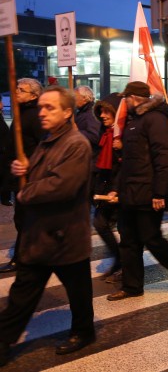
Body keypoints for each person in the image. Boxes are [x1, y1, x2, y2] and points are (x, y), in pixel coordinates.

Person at [0, 86, 95, 366]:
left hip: (65, 236)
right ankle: (3, 339)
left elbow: (61, 185)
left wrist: (26, 192)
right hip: (41, 235)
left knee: (78, 292)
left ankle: (84, 331)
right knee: (23, 291)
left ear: (67, 112)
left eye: (50, 108)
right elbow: (45, 171)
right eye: (41, 107)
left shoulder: (77, 144)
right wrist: (25, 169)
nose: (42, 112)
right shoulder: (50, 138)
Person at [107, 81, 168, 301]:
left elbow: (165, 158)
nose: (124, 102)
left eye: (126, 98)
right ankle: (132, 286)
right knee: (128, 240)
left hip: (147, 193)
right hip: (130, 192)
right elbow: (128, 161)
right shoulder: (135, 121)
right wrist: (117, 189)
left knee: (151, 238)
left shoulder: (155, 120)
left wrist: (159, 193)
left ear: (135, 98)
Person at [0, 78, 46, 273]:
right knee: (23, 218)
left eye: (21, 90)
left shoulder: (35, 115)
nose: (16, 92)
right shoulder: (22, 113)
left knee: (26, 218)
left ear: (34, 95)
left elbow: (42, 146)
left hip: (29, 177)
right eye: (17, 88)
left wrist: (29, 163)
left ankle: (24, 258)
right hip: (19, 175)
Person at [92, 93, 123, 282]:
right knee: (100, 223)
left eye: (106, 111)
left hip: (121, 188)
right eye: (101, 111)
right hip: (106, 187)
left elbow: (128, 165)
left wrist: (117, 189)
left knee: (133, 235)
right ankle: (119, 258)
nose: (102, 115)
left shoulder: (124, 134)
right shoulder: (104, 133)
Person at [73, 85, 101, 153]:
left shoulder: (91, 113)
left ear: (84, 98)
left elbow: (95, 136)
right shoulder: (82, 111)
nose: (73, 100)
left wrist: (77, 131)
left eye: (75, 97)